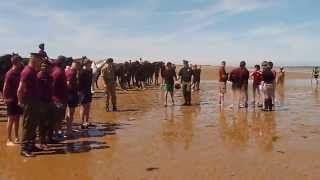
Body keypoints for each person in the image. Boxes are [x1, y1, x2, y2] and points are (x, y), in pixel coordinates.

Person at [17, 53, 43, 157]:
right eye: (39, 60)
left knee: (33, 124)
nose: (41, 62)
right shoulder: (27, 72)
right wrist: (20, 101)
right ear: (34, 60)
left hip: (34, 101)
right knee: (27, 125)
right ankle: (24, 149)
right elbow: (20, 89)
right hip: (29, 101)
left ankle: (31, 145)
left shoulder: (33, 71)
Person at [3, 55, 23, 146]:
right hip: (11, 99)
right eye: (20, 61)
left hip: (18, 99)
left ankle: (16, 137)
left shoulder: (19, 72)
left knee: (17, 118)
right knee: (11, 119)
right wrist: (5, 98)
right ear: (17, 62)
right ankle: (8, 139)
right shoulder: (9, 73)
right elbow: (5, 87)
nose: (21, 63)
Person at [51, 56, 68, 140]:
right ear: (62, 62)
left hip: (61, 98)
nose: (66, 64)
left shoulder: (60, 71)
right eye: (65, 62)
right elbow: (52, 86)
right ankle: (55, 133)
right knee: (57, 118)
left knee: (60, 117)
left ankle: (58, 132)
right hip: (58, 99)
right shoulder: (57, 72)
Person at [37, 62, 53, 148]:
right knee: (42, 123)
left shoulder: (50, 77)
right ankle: (41, 141)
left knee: (50, 122)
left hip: (49, 101)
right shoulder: (39, 76)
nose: (46, 68)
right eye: (43, 66)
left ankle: (49, 139)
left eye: (47, 66)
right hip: (42, 102)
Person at [65, 61, 80, 136]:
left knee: (71, 113)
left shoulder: (72, 72)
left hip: (72, 94)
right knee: (70, 113)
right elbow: (67, 84)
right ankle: (68, 130)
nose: (77, 67)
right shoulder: (71, 73)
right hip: (71, 95)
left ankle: (70, 128)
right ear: (73, 65)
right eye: (76, 66)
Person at [79, 60, 93, 129]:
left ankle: (87, 121)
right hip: (83, 92)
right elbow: (79, 83)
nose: (90, 65)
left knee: (88, 107)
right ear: (86, 64)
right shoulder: (82, 72)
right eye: (89, 64)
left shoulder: (90, 71)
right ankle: (82, 123)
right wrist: (80, 92)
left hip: (88, 91)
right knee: (83, 108)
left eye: (90, 64)